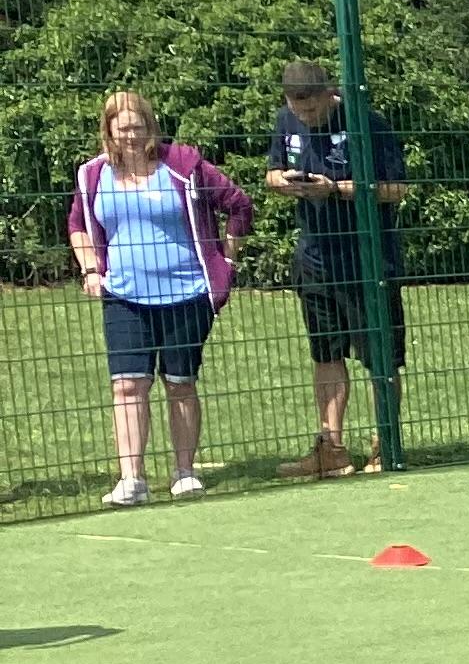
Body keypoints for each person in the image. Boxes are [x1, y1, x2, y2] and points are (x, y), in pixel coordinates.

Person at [67, 91, 251, 508]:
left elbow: (239, 204)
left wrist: (226, 259)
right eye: (122, 128)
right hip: (123, 297)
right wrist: (91, 269)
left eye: (138, 127)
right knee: (127, 385)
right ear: (108, 130)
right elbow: (77, 224)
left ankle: (184, 472)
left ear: (150, 126)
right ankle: (131, 479)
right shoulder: (92, 175)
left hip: (187, 294)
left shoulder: (184, 165)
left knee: (180, 384)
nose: (131, 136)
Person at [262, 59, 408, 479]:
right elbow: (271, 173)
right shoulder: (285, 120)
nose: (305, 116)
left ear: (329, 93)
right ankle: (333, 449)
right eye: (298, 108)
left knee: (380, 356)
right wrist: (283, 183)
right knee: (325, 354)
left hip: (367, 260)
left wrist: (336, 190)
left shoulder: (368, 124)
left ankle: (386, 444)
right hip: (314, 259)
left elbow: (396, 189)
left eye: (312, 108)